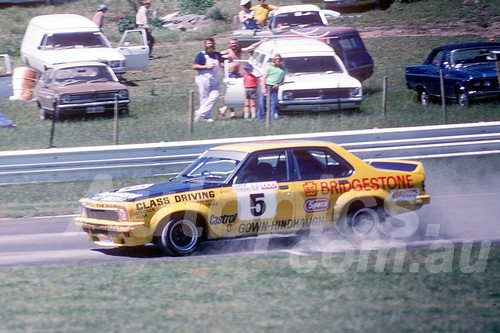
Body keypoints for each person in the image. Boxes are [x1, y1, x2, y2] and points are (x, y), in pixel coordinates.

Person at [219, 38, 268, 118]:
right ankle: (230, 112)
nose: (233, 45)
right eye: (232, 43)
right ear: (229, 44)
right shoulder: (227, 52)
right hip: (231, 74)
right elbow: (217, 56)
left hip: (238, 74)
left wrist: (261, 41)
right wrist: (223, 65)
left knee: (239, 93)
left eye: (235, 43)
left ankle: (225, 109)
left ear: (237, 44)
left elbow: (251, 47)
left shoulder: (239, 51)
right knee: (231, 94)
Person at [192, 38, 224, 122]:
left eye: (212, 43)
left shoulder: (217, 55)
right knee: (204, 98)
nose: (211, 45)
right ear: (205, 45)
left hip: (215, 79)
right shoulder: (201, 55)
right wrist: (206, 67)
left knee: (215, 96)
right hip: (203, 79)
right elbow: (194, 66)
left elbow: (222, 64)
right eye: (209, 43)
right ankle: (206, 116)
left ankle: (200, 112)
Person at [258, 53, 286, 120]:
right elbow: (264, 78)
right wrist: (263, 88)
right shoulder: (269, 67)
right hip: (267, 86)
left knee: (274, 103)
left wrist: (278, 84)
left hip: (275, 88)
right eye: (276, 59)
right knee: (262, 103)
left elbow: (283, 80)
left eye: (279, 59)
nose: (278, 60)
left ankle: (271, 119)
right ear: (274, 60)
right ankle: (259, 119)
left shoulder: (283, 69)